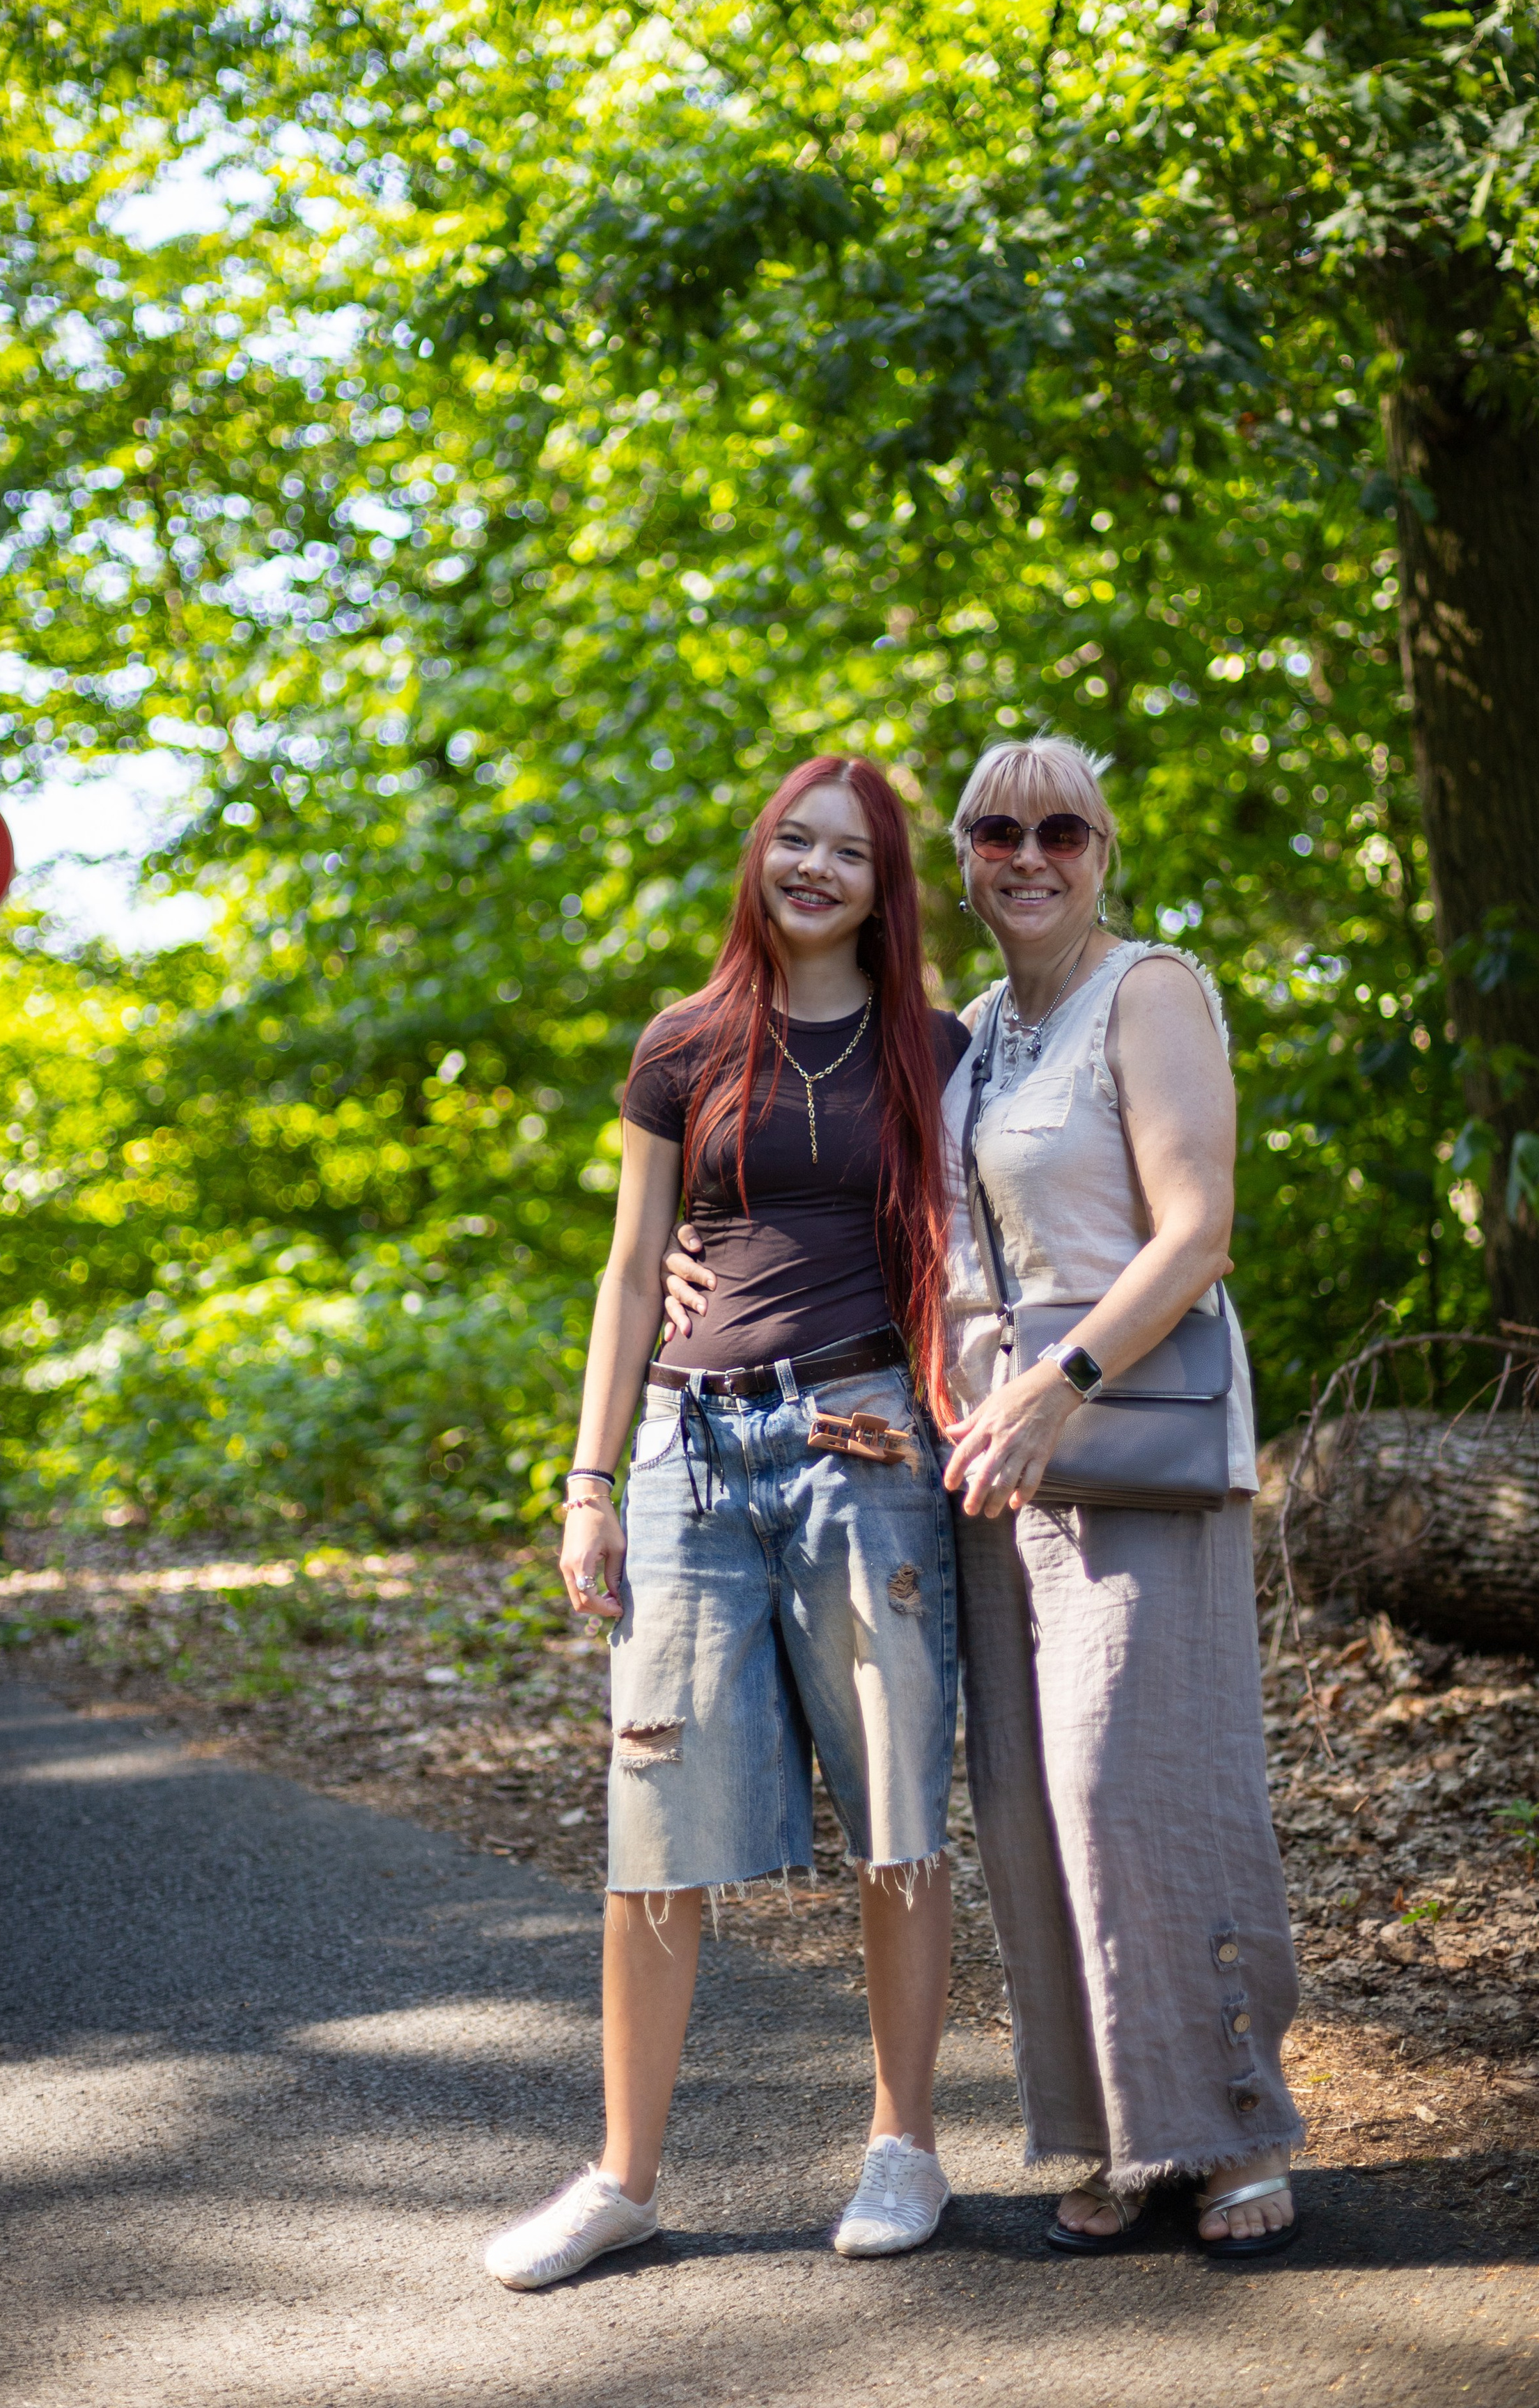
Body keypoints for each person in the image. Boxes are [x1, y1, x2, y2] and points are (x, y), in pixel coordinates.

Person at [666, 735, 1304, 2258]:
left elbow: (1196, 1227)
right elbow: (837, 1194)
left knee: (1135, 1789)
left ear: (1103, 851)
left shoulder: (1146, 991)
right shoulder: (964, 1039)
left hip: (1123, 1438)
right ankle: (1104, 2135)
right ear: (953, 859)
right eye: (994, 831)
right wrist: (706, 1257)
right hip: (978, 1468)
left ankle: (1223, 2132)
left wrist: (1055, 1382)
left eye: (1060, 831)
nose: (1028, 855)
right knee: (1024, 1810)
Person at [481, 755, 974, 2293]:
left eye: (848, 854)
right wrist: (583, 1482)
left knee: (897, 1812)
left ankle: (905, 2147)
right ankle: (623, 2179)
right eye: (791, 843)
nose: (813, 870)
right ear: (758, 859)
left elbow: (986, 1240)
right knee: (653, 1826)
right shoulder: (682, 1045)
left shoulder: (939, 1050)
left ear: (886, 888)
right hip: (688, 1457)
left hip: (863, 1444)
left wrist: (948, 1399)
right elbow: (632, 1275)